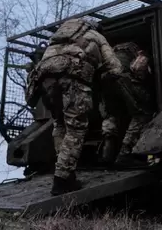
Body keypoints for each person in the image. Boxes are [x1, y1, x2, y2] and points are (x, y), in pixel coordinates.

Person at [25, 17, 124, 196]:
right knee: (76, 128)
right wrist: (101, 79)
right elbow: (116, 68)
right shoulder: (96, 36)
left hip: (46, 82)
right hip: (73, 80)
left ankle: (65, 172)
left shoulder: (56, 40)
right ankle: (62, 180)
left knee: (60, 124)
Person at [99, 42, 154, 167]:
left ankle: (106, 154)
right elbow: (138, 68)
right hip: (122, 77)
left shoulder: (111, 51)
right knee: (142, 114)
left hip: (105, 81)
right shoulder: (138, 50)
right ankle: (125, 154)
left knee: (111, 115)